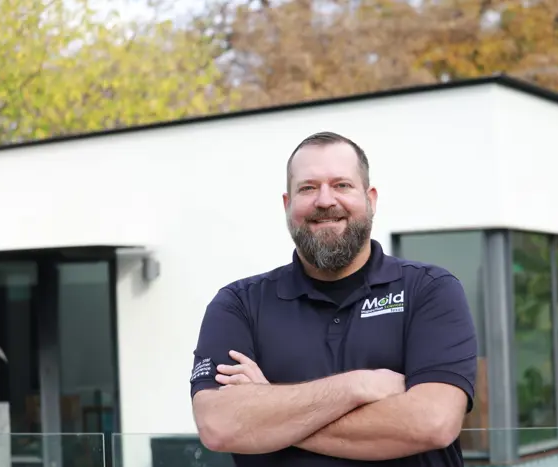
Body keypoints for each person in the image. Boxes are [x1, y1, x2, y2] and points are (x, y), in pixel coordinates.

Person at [190, 131, 478, 466]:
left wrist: (268, 410)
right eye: (308, 188)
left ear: (370, 199)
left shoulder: (429, 290)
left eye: (341, 185)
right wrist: (359, 386)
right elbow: (219, 426)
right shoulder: (238, 304)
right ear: (288, 204)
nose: (325, 201)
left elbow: (433, 423)